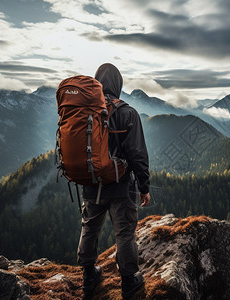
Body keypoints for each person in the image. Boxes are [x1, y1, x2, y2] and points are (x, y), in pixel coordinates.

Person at [77, 63, 150, 298]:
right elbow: (137, 154)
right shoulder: (127, 113)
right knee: (125, 233)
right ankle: (129, 281)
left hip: (91, 185)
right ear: (118, 85)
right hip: (120, 188)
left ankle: (89, 276)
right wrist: (144, 187)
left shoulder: (85, 112)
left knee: (89, 228)